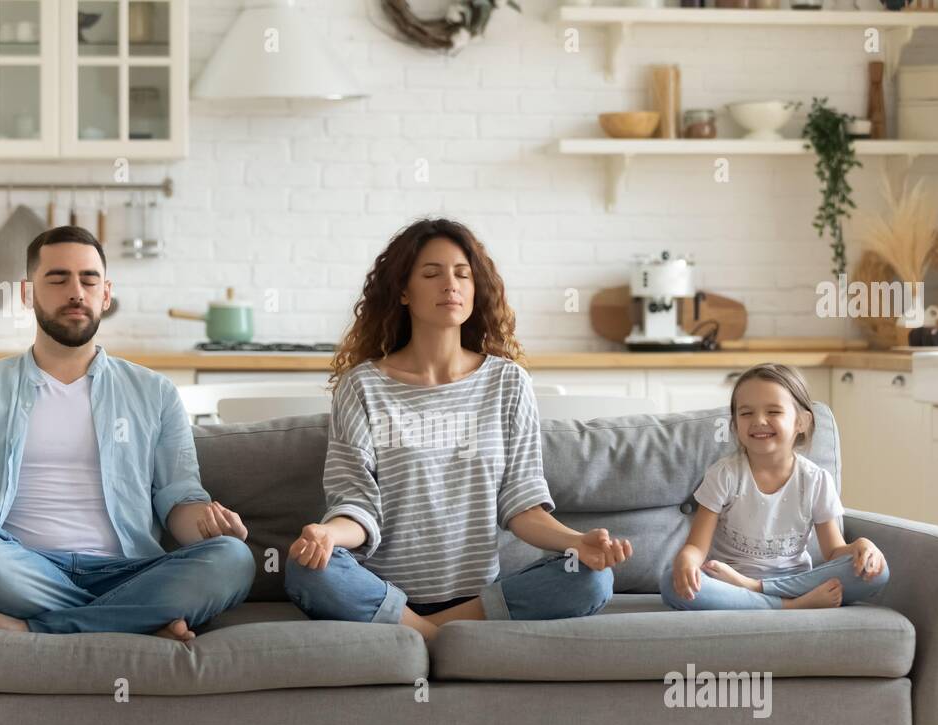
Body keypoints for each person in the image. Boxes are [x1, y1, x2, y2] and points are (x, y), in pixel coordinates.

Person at [284, 218, 632, 641]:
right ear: (404, 292)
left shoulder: (508, 382)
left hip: (477, 596)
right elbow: (357, 504)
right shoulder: (363, 386)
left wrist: (577, 542)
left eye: (462, 274)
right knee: (307, 571)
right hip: (382, 590)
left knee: (592, 579)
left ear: (474, 290)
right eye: (432, 274)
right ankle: (443, 636)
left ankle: (423, 634)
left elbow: (521, 505)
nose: (450, 284)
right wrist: (326, 534)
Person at [0, 225, 255, 640]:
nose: (75, 292)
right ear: (27, 293)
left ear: (105, 293)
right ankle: (133, 624)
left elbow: (179, 500)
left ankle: (29, 627)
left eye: (88, 279)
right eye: (57, 278)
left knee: (234, 558)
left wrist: (209, 526)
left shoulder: (155, 393)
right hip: (21, 568)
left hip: (128, 571)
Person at [661, 363, 890, 611]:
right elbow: (696, 546)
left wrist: (861, 546)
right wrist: (686, 560)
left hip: (792, 581)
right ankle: (790, 606)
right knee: (671, 584)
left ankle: (758, 591)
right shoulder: (724, 475)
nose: (759, 421)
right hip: (730, 584)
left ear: (801, 422)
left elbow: (833, 551)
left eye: (773, 411)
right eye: (746, 413)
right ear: (736, 425)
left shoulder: (816, 480)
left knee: (878, 572)